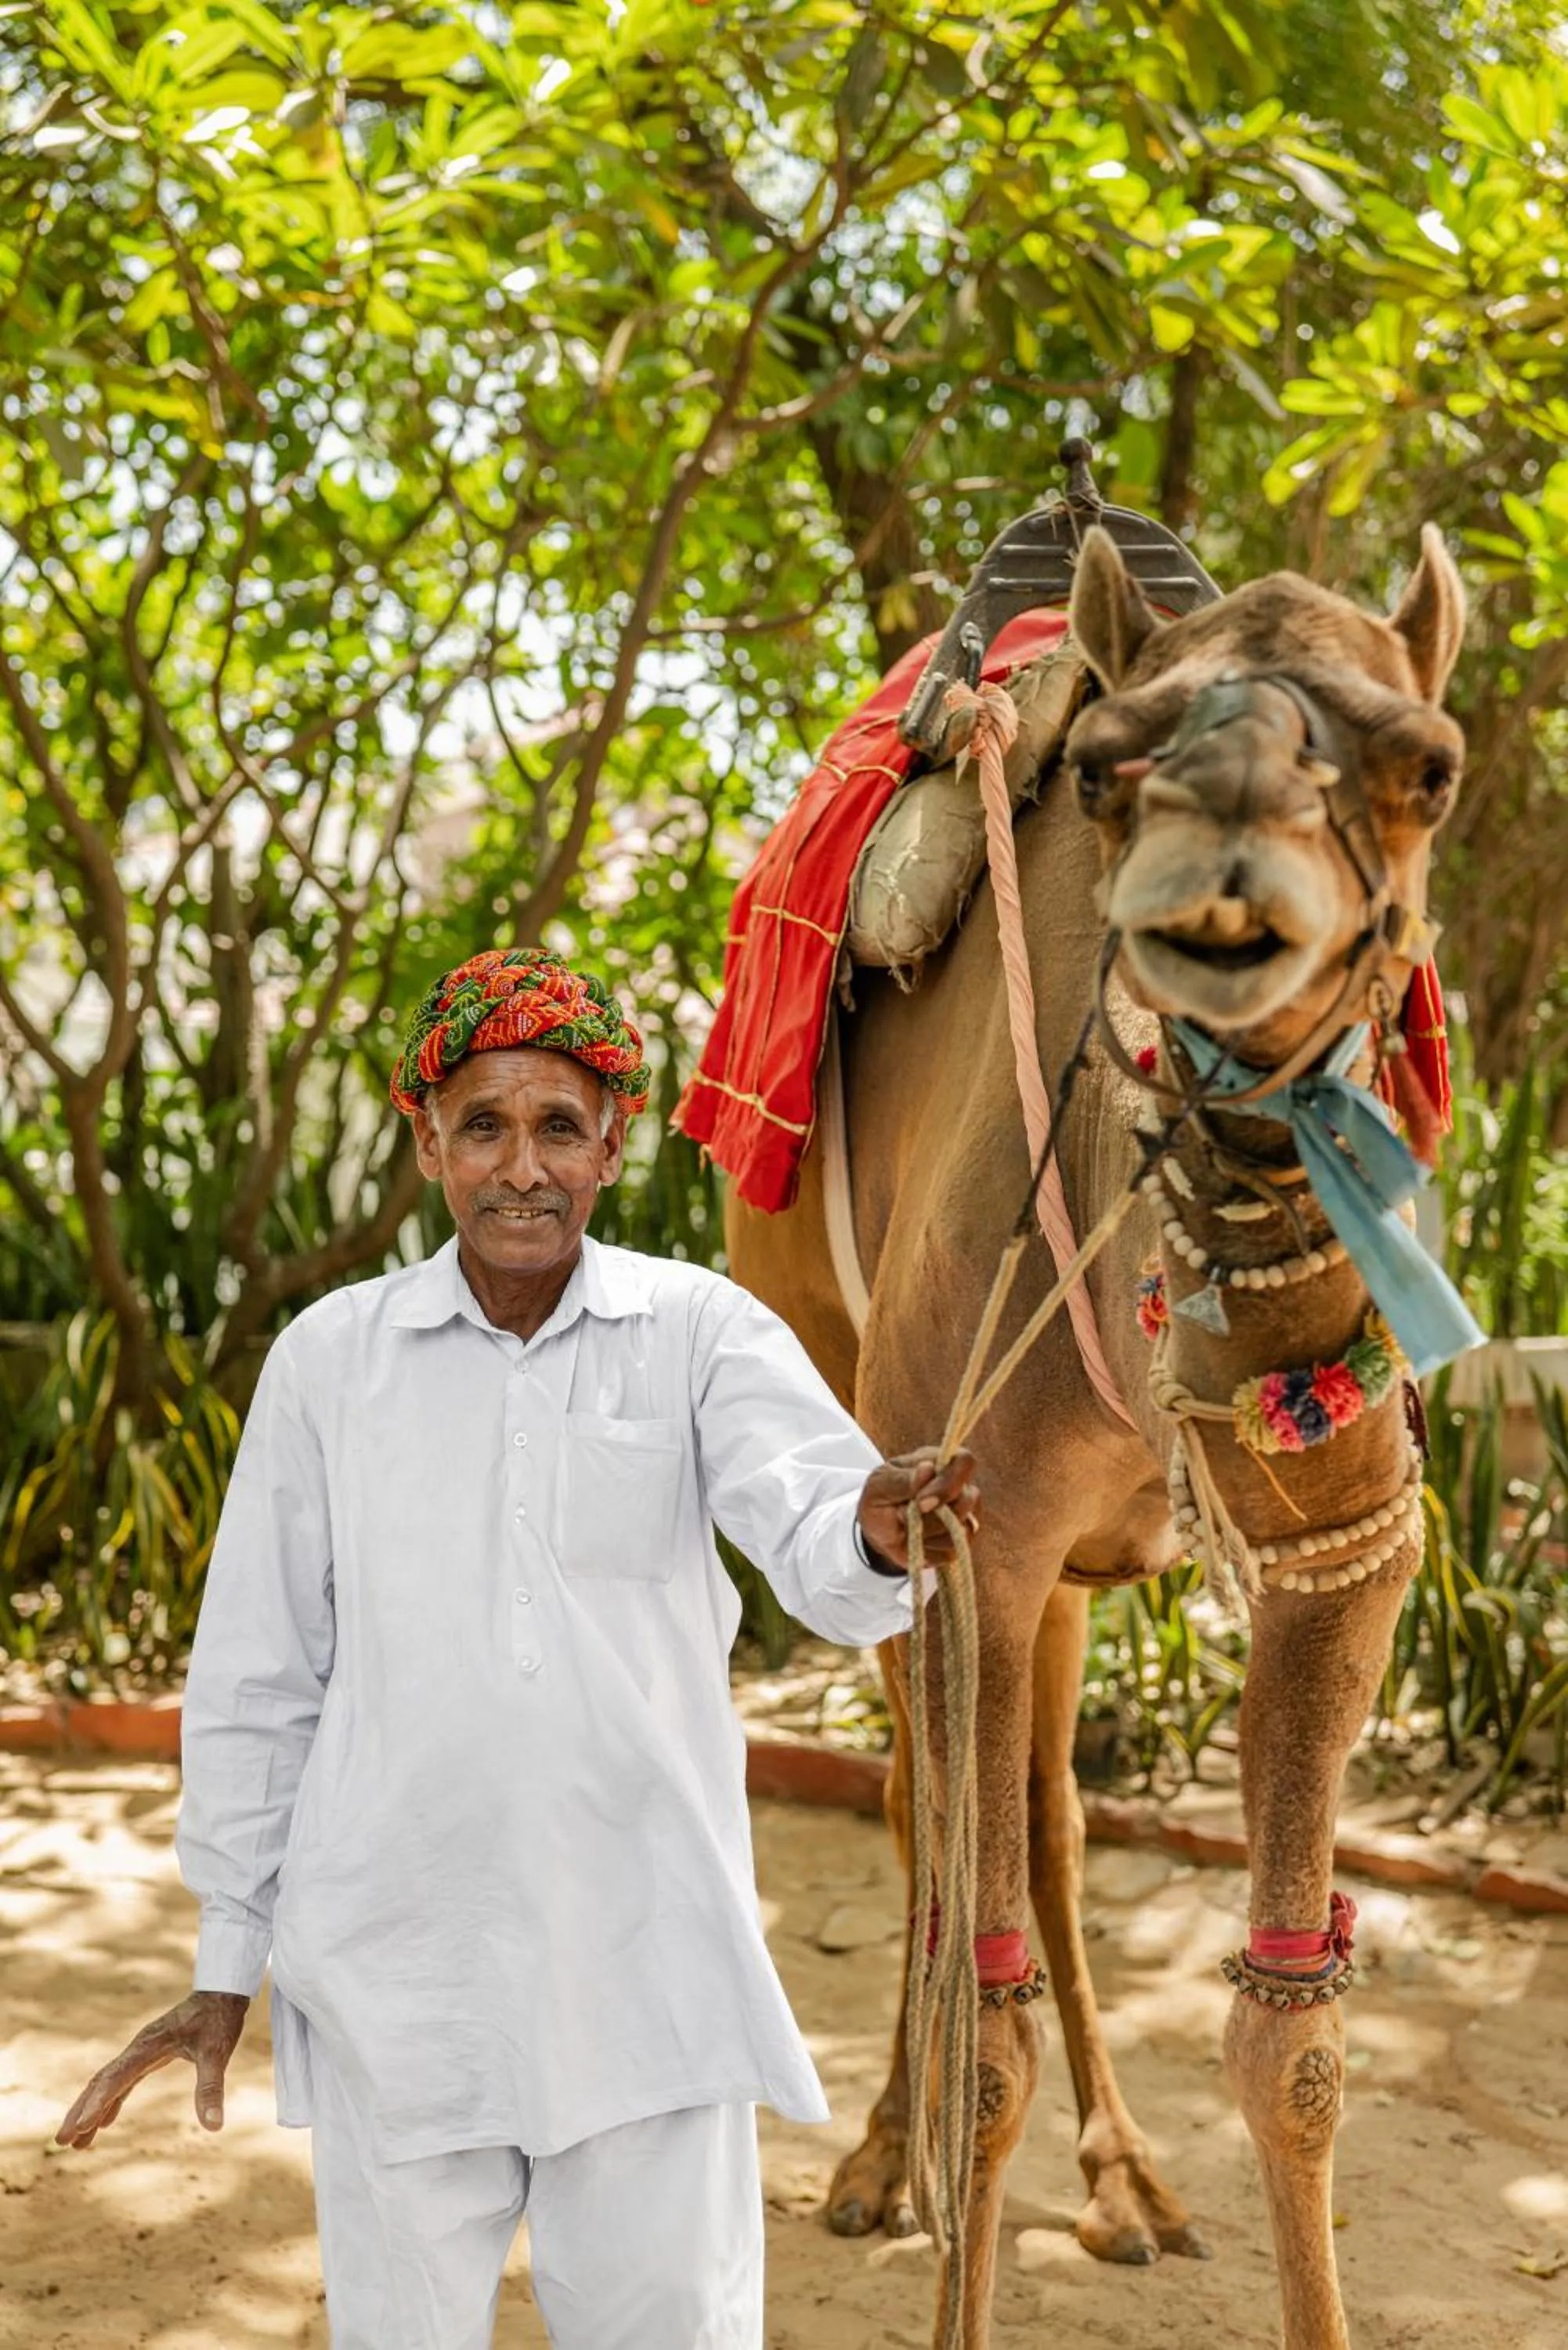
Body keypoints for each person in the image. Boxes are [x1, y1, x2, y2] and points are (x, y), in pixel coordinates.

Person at [57, 946, 979, 2350]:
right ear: (428, 1141)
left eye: (559, 1125)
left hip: (647, 1970)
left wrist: (877, 1525)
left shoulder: (697, 1333)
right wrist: (227, 1960)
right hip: (395, 1977)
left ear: (616, 1142)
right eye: (483, 1124)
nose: (521, 1166)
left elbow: (823, 1544)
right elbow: (259, 1678)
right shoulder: (330, 1360)